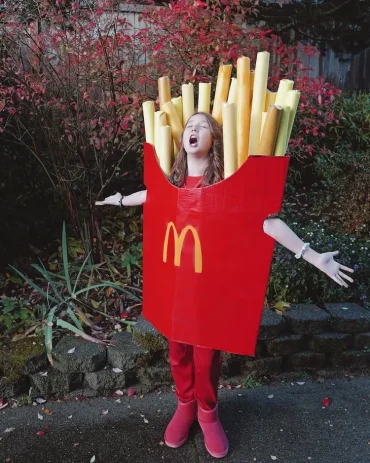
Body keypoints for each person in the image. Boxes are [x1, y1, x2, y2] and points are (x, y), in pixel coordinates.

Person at [96, 112, 354, 459]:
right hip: (177, 290)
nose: (193, 130)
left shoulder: (227, 187)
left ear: (214, 141)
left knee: (206, 358)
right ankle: (185, 406)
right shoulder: (170, 185)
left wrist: (311, 255)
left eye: (202, 127)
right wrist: (120, 200)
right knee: (177, 354)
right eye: (189, 126)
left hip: (211, 293)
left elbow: (266, 221)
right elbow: (149, 195)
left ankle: (208, 412)